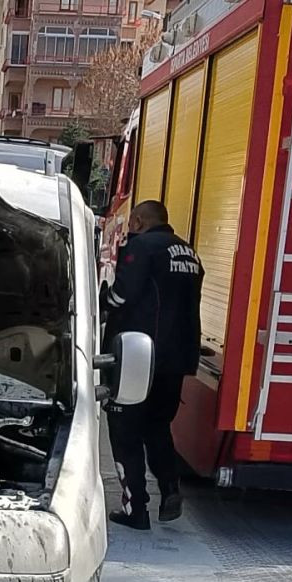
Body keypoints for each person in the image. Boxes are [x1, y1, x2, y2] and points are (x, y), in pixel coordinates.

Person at [104, 198, 204, 531]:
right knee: (157, 427)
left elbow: (123, 295)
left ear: (137, 221)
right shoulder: (189, 253)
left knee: (125, 430)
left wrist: (102, 307)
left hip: (139, 355)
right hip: (178, 358)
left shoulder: (142, 247)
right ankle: (170, 490)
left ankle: (136, 510)